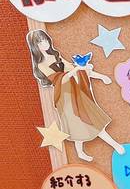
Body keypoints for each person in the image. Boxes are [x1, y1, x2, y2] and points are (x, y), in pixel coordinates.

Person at [26, 29, 124, 162]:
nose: (44, 43)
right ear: (35, 46)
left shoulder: (56, 56)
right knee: (78, 125)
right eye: (40, 42)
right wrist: (77, 69)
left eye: (45, 40)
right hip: (65, 98)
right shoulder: (41, 65)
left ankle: (88, 151)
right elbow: (59, 80)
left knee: (89, 121)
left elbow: (73, 69)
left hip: (76, 93)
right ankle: (110, 146)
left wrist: (99, 75)